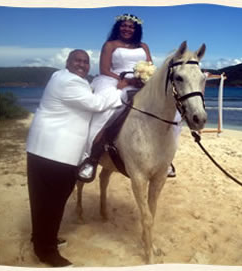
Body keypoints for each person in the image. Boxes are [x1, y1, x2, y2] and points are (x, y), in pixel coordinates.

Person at [26, 49, 121, 267]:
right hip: (55, 152)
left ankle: (42, 238)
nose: (82, 65)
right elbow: (96, 104)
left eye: (86, 62)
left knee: (43, 200)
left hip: (44, 149)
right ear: (68, 62)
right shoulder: (70, 82)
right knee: (53, 202)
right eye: (77, 60)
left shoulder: (58, 76)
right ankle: (46, 251)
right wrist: (119, 88)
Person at [77, 13, 154, 182]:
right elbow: (104, 69)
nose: (127, 29)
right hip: (116, 80)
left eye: (131, 26)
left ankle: (164, 158)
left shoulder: (144, 46)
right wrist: (125, 80)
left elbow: (150, 66)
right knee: (109, 108)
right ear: (118, 27)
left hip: (140, 82)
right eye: (124, 25)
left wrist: (144, 78)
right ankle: (92, 157)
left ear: (136, 29)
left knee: (166, 109)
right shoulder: (110, 45)